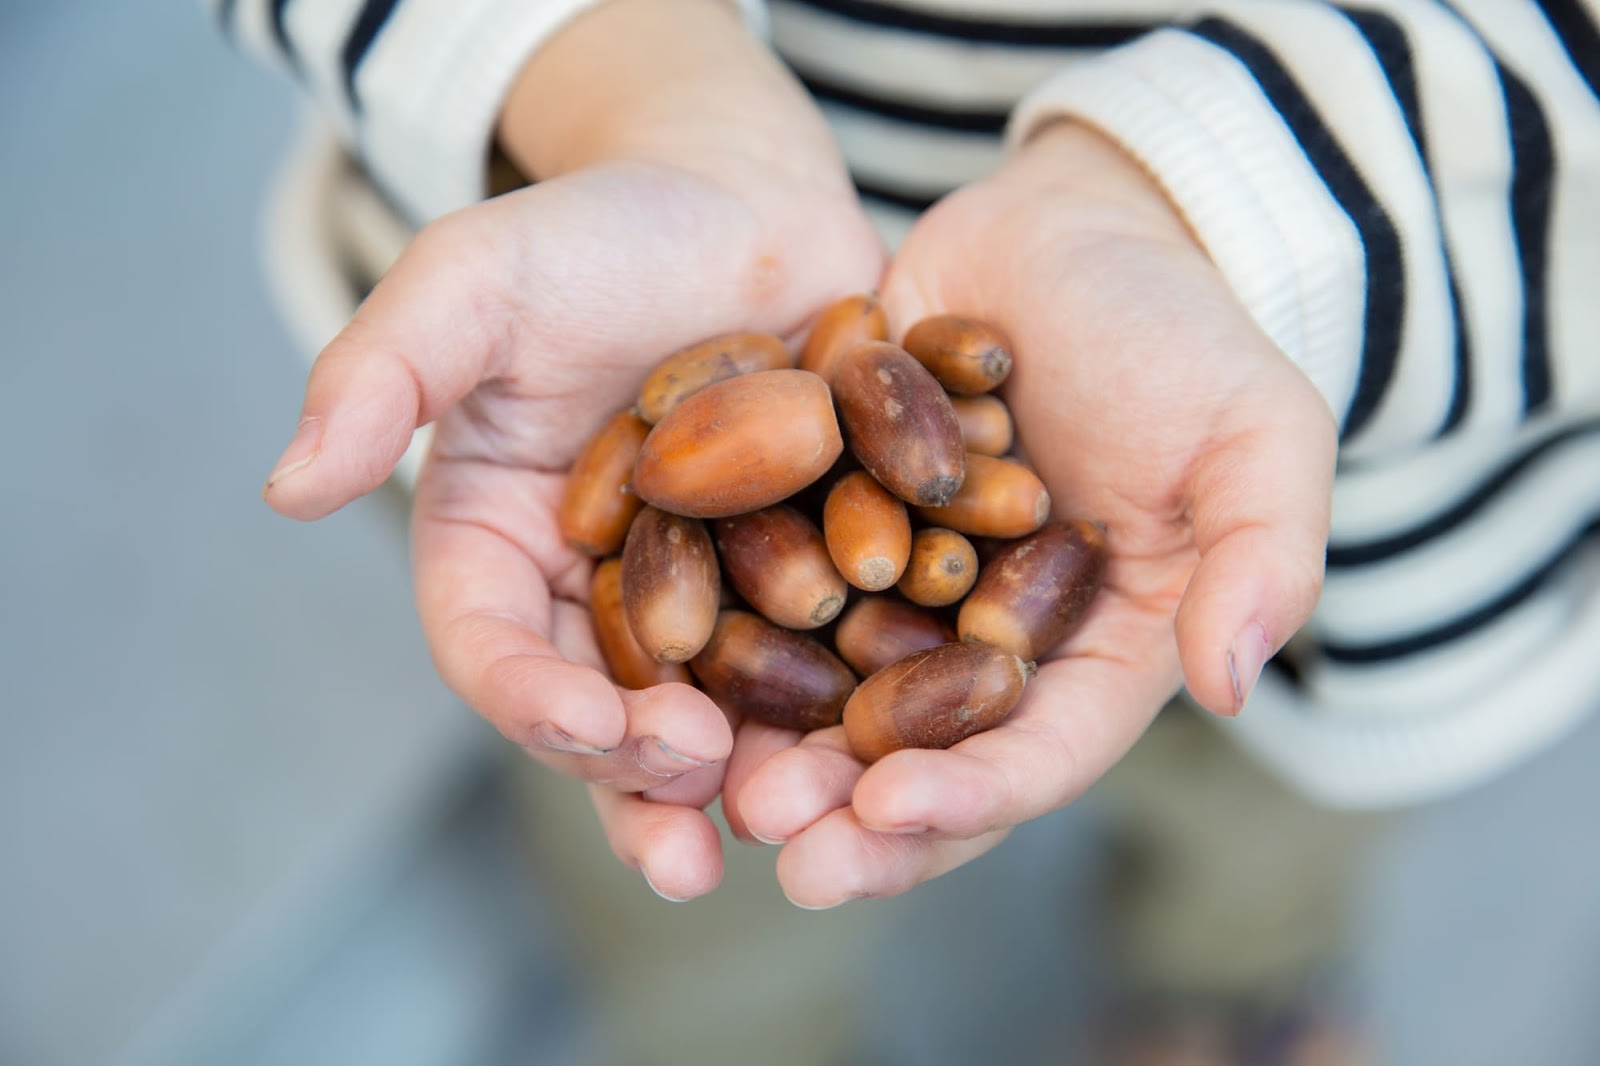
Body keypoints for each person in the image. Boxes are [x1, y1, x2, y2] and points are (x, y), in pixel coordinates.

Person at [223, 0, 1600, 1061]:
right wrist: (620, 80)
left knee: (1262, 826)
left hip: (1367, 457)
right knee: (657, 809)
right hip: (571, 257)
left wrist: (1225, 200)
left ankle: (1232, 997)